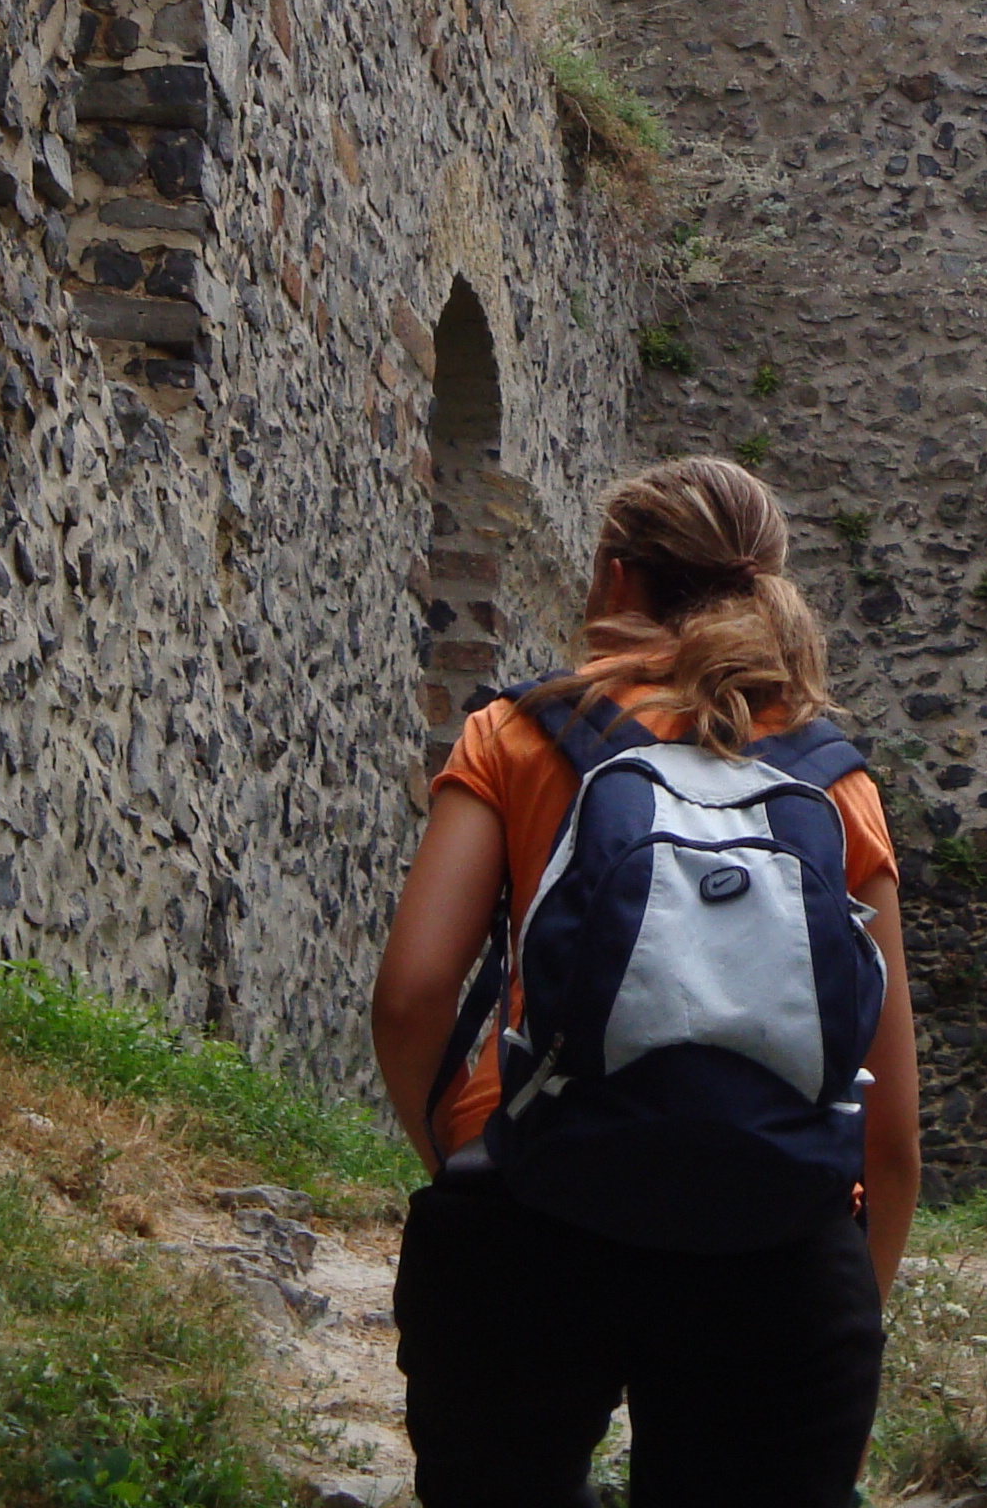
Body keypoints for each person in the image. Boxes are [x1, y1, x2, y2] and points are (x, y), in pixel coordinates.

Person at [369, 456, 921, 1508]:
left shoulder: (516, 732)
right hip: (776, 1251)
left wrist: (470, 1157)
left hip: (531, 1214)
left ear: (616, 579)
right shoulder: (835, 783)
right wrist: (848, 1308)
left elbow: (411, 998)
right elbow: (889, 1135)